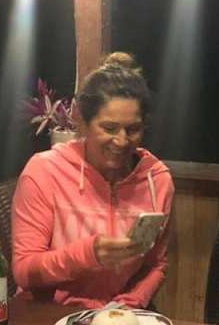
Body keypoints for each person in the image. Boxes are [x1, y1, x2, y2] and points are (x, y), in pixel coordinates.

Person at [11, 52, 174, 309]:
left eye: (133, 129)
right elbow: (24, 271)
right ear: (82, 122)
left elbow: (156, 264)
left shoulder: (158, 180)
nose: (122, 141)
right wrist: (88, 254)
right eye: (109, 128)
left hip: (116, 315)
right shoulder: (44, 171)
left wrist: (131, 303)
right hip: (48, 313)